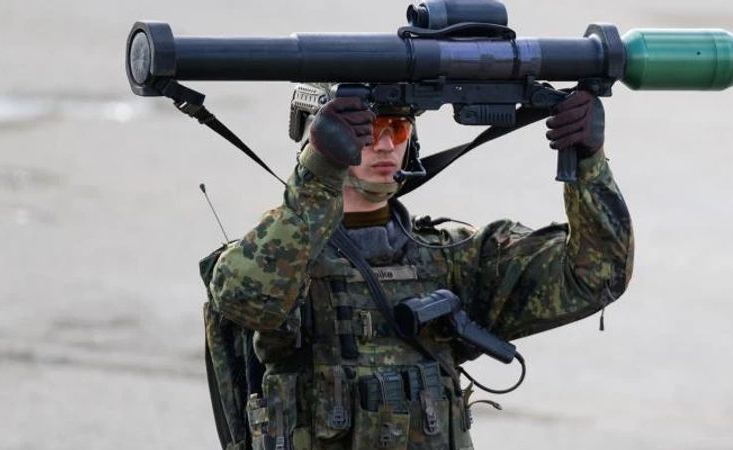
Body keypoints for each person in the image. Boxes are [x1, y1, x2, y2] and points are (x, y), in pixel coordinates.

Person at [207, 85, 634, 450]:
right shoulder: (280, 257)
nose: (386, 145)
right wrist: (318, 175)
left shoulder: (453, 256)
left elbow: (596, 276)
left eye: (397, 128)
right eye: (369, 129)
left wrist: (589, 163)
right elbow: (245, 301)